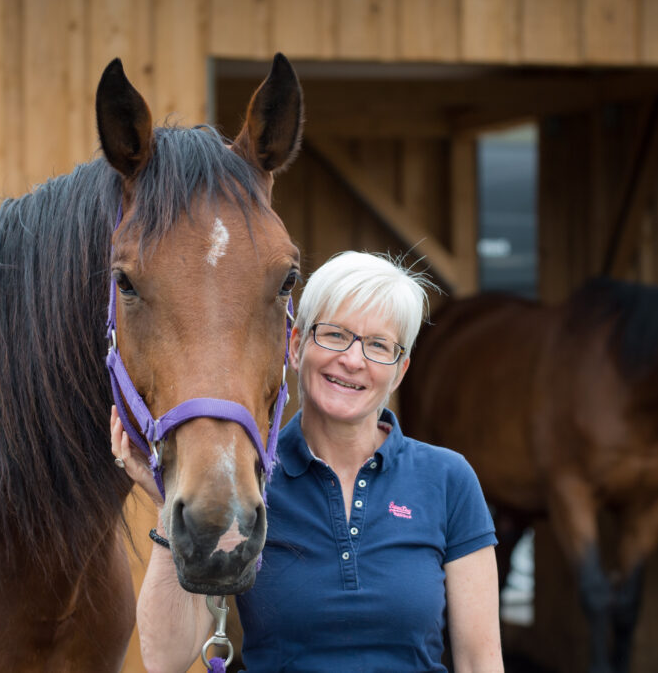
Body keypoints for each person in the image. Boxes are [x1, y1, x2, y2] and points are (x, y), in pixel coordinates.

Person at [111, 251, 503, 672]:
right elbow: (166, 659)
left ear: (401, 370)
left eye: (377, 345)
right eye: (335, 335)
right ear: (295, 346)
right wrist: (166, 508)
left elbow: (480, 661)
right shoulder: (249, 479)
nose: (353, 360)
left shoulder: (448, 480)